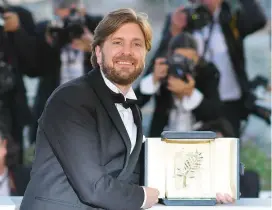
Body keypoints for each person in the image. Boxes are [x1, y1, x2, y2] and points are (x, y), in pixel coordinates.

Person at [20, 8, 159, 210]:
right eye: (117, 42)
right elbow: (93, 187)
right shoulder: (71, 98)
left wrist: (196, 189)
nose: (127, 51)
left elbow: (131, 173)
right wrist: (143, 196)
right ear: (99, 53)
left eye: (136, 44)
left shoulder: (132, 106)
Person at [161, 0, 267, 137]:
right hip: (195, 99)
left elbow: (258, 20)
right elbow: (163, 56)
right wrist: (174, 32)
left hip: (230, 100)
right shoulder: (183, 17)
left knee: (228, 152)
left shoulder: (230, 16)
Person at [29, 0, 103, 144]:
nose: (69, 13)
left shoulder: (97, 24)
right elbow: (33, 69)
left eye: (73, 7)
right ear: (54, 10)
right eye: (63, 7)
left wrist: (93, 48)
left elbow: (113, 69)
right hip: (54, 105)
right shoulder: (45, 28)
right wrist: (49, 42)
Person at [136, 32, 228, 137]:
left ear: (197, 58)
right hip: (164, 137)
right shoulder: (163, 70)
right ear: (170, 57)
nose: (184, 65)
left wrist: (190, 93)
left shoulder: (207, 72)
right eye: (179, 59)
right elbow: (135, 103)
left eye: (190, 61)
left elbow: (216, 113)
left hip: (198, 138)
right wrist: (154, 79)